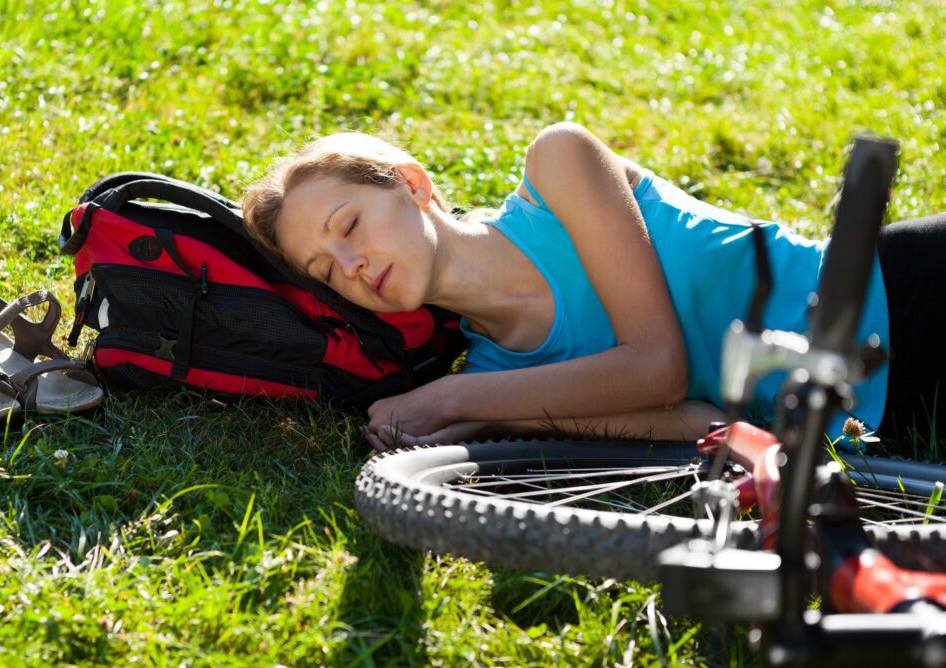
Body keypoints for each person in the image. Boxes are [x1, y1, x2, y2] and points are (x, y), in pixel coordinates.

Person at [241, 124, 946, 451]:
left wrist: (450, 399)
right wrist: (499, 417)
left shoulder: (559, 170)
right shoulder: (502, 375)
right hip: (893, 417)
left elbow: (658, 364)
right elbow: (703, 423)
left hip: (905, 289)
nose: (353, 265)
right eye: (328, 272)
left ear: (414, 185)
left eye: (349, 224)